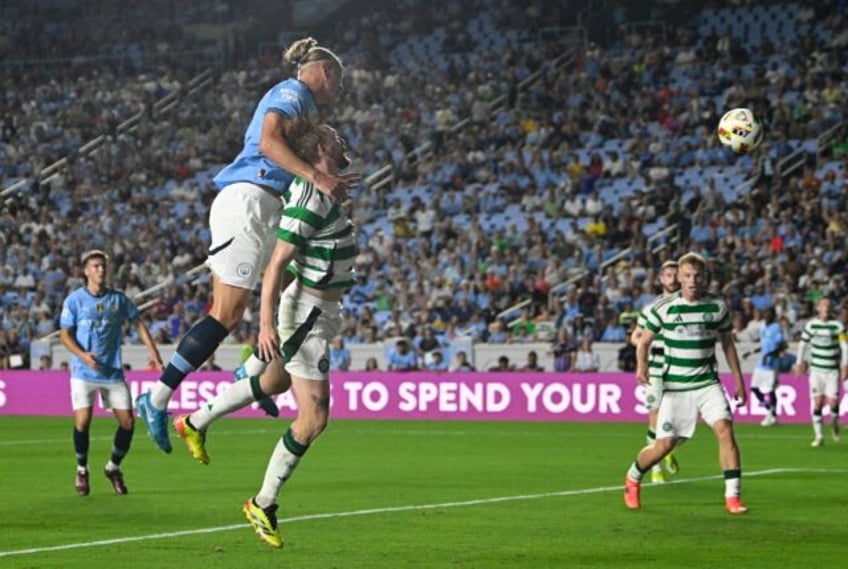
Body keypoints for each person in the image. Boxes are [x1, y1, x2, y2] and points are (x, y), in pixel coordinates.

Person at [136, 37, 359, 453]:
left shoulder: (305, 108)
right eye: (340, 82)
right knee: (226, 313)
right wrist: (317, 177)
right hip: (249, 200)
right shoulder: (292, 93)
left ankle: (250, 374)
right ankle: (157, 398)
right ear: (326, 72)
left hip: (266, 205)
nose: (339, 91)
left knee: (299, 276)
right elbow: (268, 144)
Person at [170, 119, 355, 548]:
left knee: (273, 381)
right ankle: (263, 503)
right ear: (318, 150)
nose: (343, 140)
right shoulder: (310, 199)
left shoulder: (320, 190)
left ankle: (195, 421)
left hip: (316, 310)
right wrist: (268, 324)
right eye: (335, 139)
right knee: (314, 419)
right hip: (306, 313)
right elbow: (276, 265)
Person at [623, 252, 748, 515]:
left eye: (698, 276)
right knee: (663, 446)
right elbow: (643, 341)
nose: (693, 281)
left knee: (725, 430)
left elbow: (727, 344)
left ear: (705, 278)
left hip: (707, 384)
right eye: (687, 276)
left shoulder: (717, 308)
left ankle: (733, 497)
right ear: (679, 278)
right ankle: (633, 477)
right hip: (675, 387)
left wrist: (738, 380)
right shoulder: (663, 308)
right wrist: (642, 366)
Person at [59, 250, 164, 496]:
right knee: (83, 421)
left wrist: (155, 356)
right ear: (86, 271)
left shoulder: (118, 300)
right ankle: (82, 469)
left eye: (103, 266)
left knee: (127, 423)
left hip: (111, 372)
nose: (100, 270)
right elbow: (65, 334)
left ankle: (113, 467)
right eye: (95, 266)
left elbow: (139, 324)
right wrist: (83, 355)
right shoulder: (74, 301)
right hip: (83, 371)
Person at [630, 259, 680, 483]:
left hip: (681, 369)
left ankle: (666, 449)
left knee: (680, 421)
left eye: (675, 275)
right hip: (656, 370)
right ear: (661, 279)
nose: (672, 279)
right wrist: (645, 343)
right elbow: (635, 335)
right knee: (654, 418)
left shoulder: (687, 306)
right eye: (668, 275)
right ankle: (656, 467)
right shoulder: (650, 309)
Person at [793, 297, 848, 446]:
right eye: (823, 305)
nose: (826, 308)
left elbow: (844, 346)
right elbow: (802, 345)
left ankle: (834, 423)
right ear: (818, 308)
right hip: (816, 370)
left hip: (832, 371)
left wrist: (845, 365)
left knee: (833, 402)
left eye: (829, 305)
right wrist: (799, 363)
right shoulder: (811, 325)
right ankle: (819, 436)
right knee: (818, 402)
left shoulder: (837, 326)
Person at [743, 307, 785, 427]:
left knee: (770, 390)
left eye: (769, 313)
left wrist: (769, 355)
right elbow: (763, 345)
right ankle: (771, 411)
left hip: (771, 365)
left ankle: (772, 415)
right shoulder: (763, 327)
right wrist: (750, 352)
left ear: (773, 315)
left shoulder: (776, 328)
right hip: (761, 364)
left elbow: (781, 347)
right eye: (765, 313)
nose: (766, 315)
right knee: (754, 388)